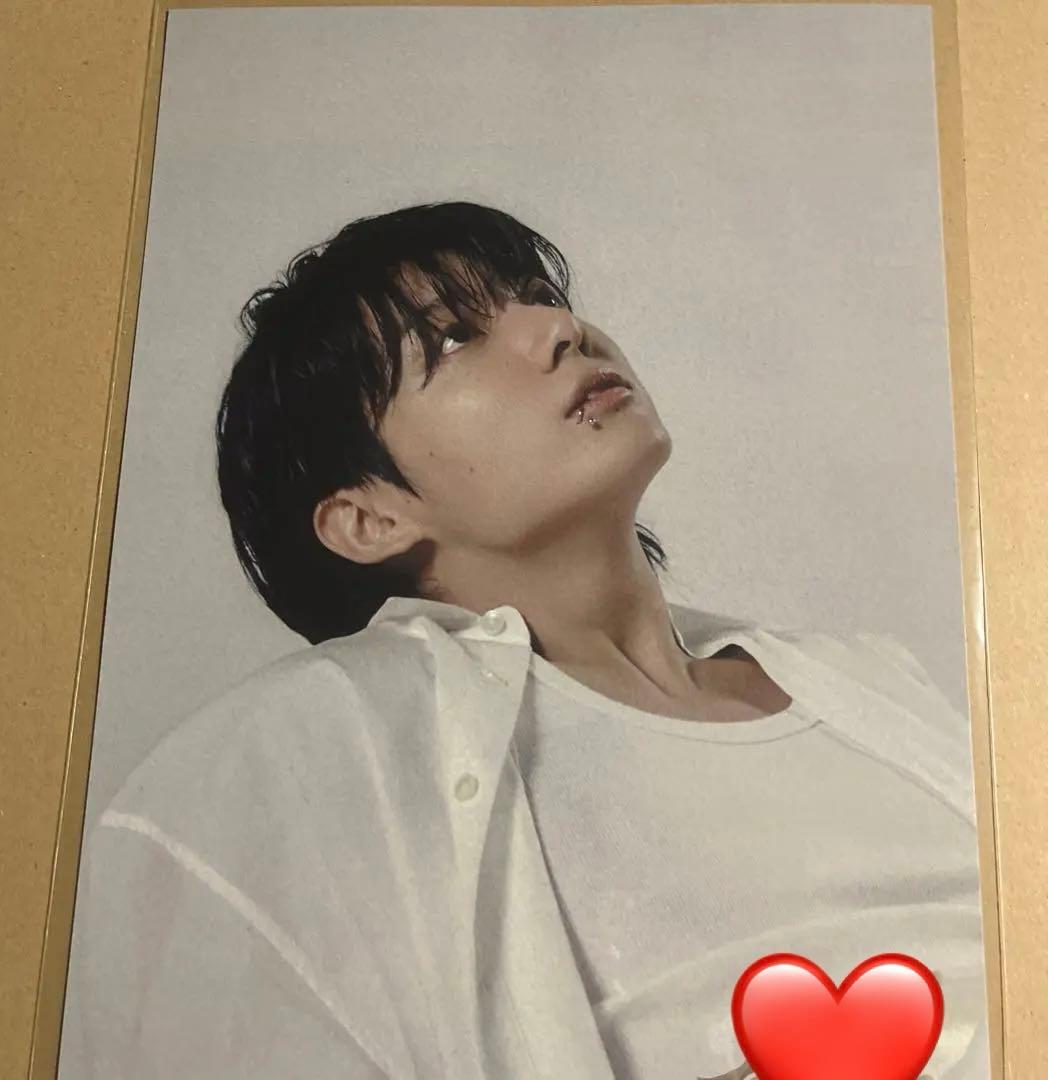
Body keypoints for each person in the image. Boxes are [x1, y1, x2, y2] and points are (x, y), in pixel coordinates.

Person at [65, 202, 989, 1079]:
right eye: (452, 339)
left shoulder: (869, 678)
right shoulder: (295, 758)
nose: (558, 328)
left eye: (539, 295)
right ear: (368, 519)